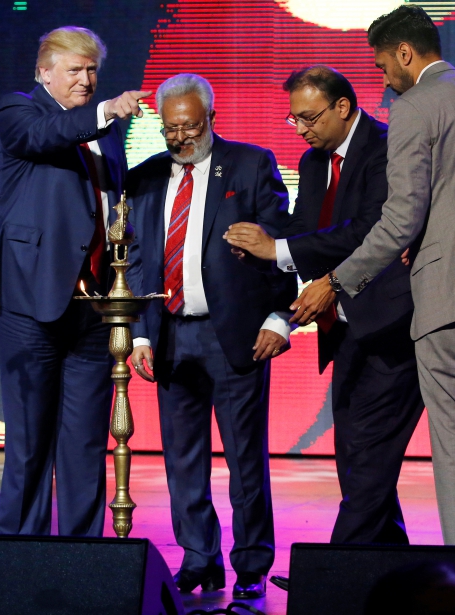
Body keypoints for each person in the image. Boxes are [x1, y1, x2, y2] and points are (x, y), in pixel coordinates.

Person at [291, 6, 455, 546]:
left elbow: (401, 218)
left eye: (384, 66)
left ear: (406, 53)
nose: (383, 79)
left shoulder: (414, 107)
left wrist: (337, 281)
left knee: (454, 441)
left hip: (451, 298)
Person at [224, 65, 424, 544]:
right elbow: (308, 231)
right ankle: (381, 562)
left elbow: (368, 231)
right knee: (354, 453)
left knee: (369, 452)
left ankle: (335, 567)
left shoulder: (387, 148)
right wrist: (264, 244)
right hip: (346, 326)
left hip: (395, 321)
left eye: (309, 118)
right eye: (294, 120)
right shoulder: (314, 164)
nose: (301, 129)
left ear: (342, 107)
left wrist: (280, 250)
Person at [0, 26, 149, 536]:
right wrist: (106, 111)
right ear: (43, 72)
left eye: (92, 70)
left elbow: (115, 208)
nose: (87, 79)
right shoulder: (18, 111)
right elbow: (46, 136)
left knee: (85, 443)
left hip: (94, 307)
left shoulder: (108, 131)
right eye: (75, 69)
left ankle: (82, 559)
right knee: (30, 442)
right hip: (30, 299)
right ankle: (20, 559)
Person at [127, 73, 297, 599]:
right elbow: (137, 260)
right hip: (170, 335)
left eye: (189, 126)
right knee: (181, 460)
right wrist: (138, 335)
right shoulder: (146, 178)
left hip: (237, 338)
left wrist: (279, 319)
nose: (179, 137)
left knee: (246, 460)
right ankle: (199, 559)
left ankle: (250, 567)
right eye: (170, 128)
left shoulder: (249, 165)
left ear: (211, 119)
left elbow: (282, 246)